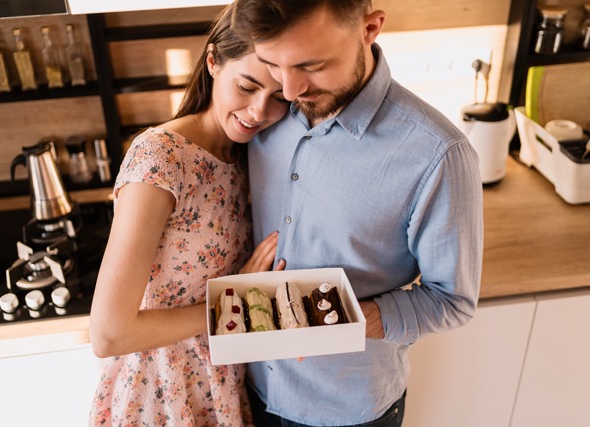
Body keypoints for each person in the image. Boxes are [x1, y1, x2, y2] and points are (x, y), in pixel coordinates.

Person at [231, 1, 484, 426]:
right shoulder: (263, 111)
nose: (290, 91)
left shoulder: (438, 155)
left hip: (345, 411)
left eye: (312, 66)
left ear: (370, 28)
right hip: (250, 387)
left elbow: (453, 300)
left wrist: (346, 318)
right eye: (274, 64)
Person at [87, 5, 290, 426]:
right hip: (160, 392)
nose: (258, 111)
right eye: (247, 86)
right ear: (213, 61)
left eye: (278, 98)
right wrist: (234, 301)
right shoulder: (161, 157)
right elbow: (108, 334)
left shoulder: (244, 155)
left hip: (225, 384)